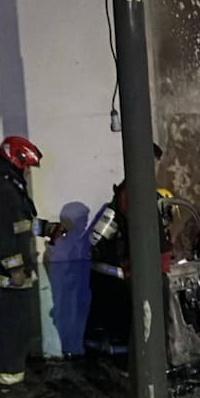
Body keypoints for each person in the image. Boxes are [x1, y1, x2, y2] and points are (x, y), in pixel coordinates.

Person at [0, 136, 64, 392]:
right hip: (7, 278)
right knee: (12, 332)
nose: (28, 171)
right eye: (26, 165)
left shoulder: (10, 187)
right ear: (16, 160)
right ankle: (8, 385)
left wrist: (48, 229)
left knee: (20, 330)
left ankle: (11, 378)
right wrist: (14, 267)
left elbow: (22, 225)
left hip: (17, 276)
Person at [84, 143, 174, 355]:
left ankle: (117, 361)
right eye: (152, 163)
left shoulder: (144, 193)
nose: (155, 169)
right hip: (131, 271)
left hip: (138, 268)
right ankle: (125, 368)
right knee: (127, 322)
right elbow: (105, 235)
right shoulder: (133, 193)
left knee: (123, 321)